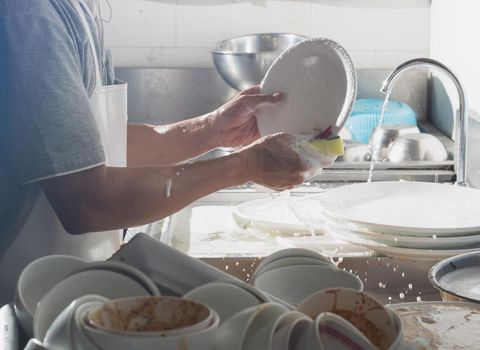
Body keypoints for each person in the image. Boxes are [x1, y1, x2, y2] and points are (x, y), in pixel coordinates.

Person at [0, 0, 325, 303]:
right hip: (26, 302)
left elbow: (94, 149)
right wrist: (247, 165)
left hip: (74, 290)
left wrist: (213, 130)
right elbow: (87, 201)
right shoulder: (32, 19)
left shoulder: (78, 9)